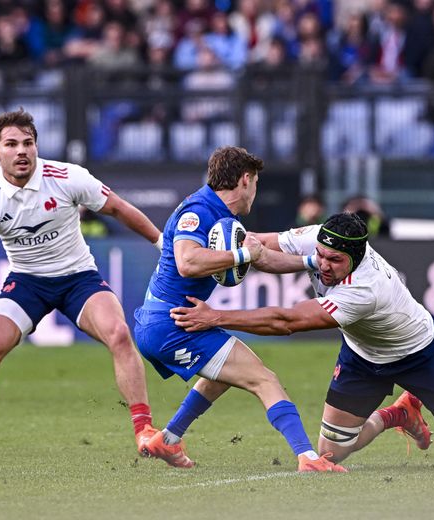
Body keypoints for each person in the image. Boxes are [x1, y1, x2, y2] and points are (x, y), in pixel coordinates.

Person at [170, 213, 434, 465]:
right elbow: (263, 244)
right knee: (331, 453)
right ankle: (398, 414)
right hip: (363, 355)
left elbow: (287, 321)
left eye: (335, 261)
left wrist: (216, 317)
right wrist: (224, 248)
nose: (323, 265)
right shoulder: (322, 237)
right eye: (321, 255)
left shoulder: (365, 289)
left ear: (356, 259)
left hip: (419, 353)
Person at [0, 109, 163, 456]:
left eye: (28, 143)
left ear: (37, 146)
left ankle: (144, 431)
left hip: (78, 278)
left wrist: (161, 244)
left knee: (119, 334)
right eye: (11, 144)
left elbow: (117, 208)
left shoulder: (67, 176)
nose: (21, 151)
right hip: (27, 283)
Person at [133, 146, 345, 473]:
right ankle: (308, 458)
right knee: (264, 379)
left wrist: (310, 263)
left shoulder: (220, 215)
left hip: (166, 321)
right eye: (256, 183)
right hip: (172, 324)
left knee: (221, 377)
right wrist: (242, 256)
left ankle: (168, 439)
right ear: (245, 180)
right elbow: (187, 262)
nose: (255, 193)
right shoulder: (199, 210)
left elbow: (260, 256)